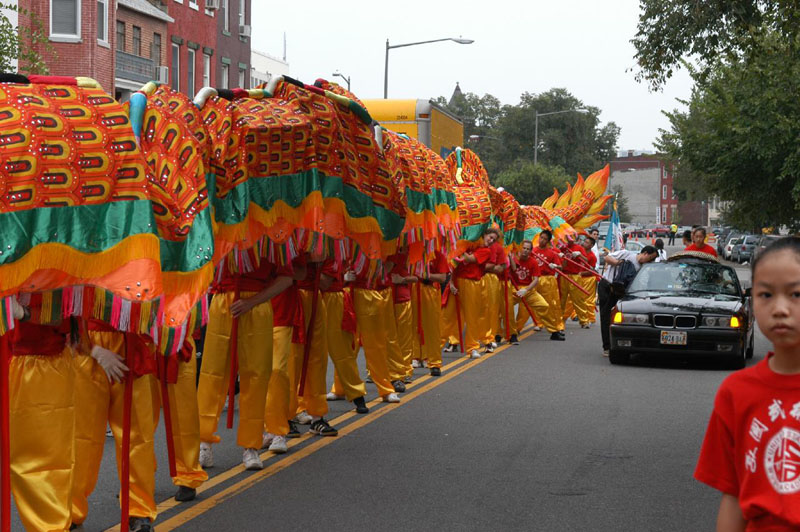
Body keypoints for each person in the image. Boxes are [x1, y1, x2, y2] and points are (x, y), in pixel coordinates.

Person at [694, 236, 800, 530]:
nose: (780, 308)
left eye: (796, 293)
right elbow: (733, 495)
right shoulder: (736, 392)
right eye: (766, 294)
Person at [197, 259, 293, 471]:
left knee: (256, 378)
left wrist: (252, 301)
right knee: (213, 374)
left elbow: (286, 278)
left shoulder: (269, 240)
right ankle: (204, 442)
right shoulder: (219, 237)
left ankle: (251, 446)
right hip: (222, 303)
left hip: (256, 308)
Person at [5, 297, 76, 532]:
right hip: (18, 363)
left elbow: (60, 313)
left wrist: (22, 313)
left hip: (45, 366)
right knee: (24, 456)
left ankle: (51, 526)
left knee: (44, 457)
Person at [598, 245, 658, 356]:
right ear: (645, 253)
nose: (650, 261)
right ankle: (607, 347)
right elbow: (607, 258)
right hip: (607, 286)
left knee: (618, 318)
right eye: (650, 258)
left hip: (620, 292)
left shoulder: (641, 269)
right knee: (605, 317)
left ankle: (619, 344)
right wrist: (618, 263)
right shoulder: (626, 254)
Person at [449, 228, 500, 358]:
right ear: (483, 235)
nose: (491, 240)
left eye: (494, 240)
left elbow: (469, 258)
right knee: (447, 316)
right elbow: (454, 265)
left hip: (472, 283)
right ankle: (427, 352)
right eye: (490, 237)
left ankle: (472, 347)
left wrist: (460, 247)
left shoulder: (485, 250)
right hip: (457, 282)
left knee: (472, 316)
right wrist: (451, 283)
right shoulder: (469, 244)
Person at [509, 240, 549, 344]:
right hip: (513, 289)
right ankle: (504, 333)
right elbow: (512, 269)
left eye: (528, 249)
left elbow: (536, 280)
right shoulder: (513, 257)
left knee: (544, 305)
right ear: (520, 248)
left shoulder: (533, 262)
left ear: (531, 251)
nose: (525, 250)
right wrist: (509, 256)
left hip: (527, 290)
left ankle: (553, 328)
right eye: (524, 248)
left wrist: (526, 290)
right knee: (505, 310)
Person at [530, 230, 565, 341]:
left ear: (548, 241)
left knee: (551, 304)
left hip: (548, 280)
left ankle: (557, 326)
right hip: (534, 279)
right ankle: (536, 323)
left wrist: (554, 266)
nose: (542, 240)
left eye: (545, 239)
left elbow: (560, 267)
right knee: (532, 303)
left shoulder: (552, 253)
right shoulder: (532, 251)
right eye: (541, 237)